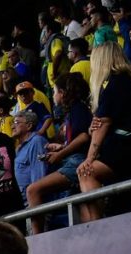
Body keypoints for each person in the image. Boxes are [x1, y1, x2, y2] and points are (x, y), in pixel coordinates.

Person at [79, 41, 131, 222]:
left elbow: (104, 123)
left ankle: (97, 229)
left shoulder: (113, 81)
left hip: (127, 148)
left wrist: (90, 158)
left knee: (86, 172)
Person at [26, 73, 94, 232]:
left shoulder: (78, 108)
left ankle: (37, 239)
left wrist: (60, 155)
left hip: (77, 161)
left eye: (55, 91)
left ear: (63, 93)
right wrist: (61, 147)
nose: (53, 95)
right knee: (82, 206)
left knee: (33, 190)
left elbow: (84, 137)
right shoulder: (74, 110)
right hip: (74, 159)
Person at [13, 109, 51, 208]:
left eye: (16, 122)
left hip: (31, 204)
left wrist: (34, 208)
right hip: (21, 203)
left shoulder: (36, 142)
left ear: (29, 126)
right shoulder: (19, 148)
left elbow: (39, 178)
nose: (13, 126)